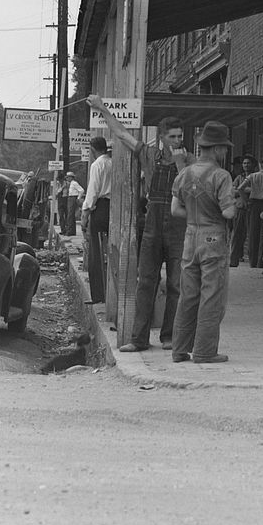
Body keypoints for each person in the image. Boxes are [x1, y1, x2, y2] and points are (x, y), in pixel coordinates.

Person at [87, 94, 190, 353]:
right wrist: (102, 108)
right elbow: (121, 134)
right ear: (162, 138)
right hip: (153, 224)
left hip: (179, 226)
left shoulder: (189, 162)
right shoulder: (149, 155)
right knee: (145, 281)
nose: (178, 141)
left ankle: (169, 336)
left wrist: (180, 163)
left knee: (177, 284)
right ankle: (139, 338)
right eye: (173, 137)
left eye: (181, 136)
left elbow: (191, 189)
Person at [169, 121, 236, 365]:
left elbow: (175, 209)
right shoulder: (221, 176)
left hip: (190, 237)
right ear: (217, 149)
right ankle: (205, 351)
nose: (226, 153)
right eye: (225, 149)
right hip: (213, 239)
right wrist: (234, 205)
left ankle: (179, 350)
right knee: (211, 296)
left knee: (188, 295)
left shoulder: (184, 173)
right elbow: (228, 213)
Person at [82, 137, 112, 304]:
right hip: (115, 208)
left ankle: (99, 295)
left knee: (96, 252)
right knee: (112, 252)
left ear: (93, 149)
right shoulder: (114, 163)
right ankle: (110, 292)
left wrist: (85, 213)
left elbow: (93, 191)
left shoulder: (97, 165)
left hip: (100, 208)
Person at [236, 155, 263, 268]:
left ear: (260, 165)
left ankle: (252, 262)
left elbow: (240, 188)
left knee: (252, 233)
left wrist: (246, 201)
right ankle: (260, 261)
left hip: (253, 205)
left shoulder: (252, 176)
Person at [229, 154, 257, 267]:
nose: (246, 165)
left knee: (252, 235)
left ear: (254, 165)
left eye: (248, 163)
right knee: (237, 234)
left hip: (252, 208)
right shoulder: (239, 178)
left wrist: (241, 189)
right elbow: (231, 191)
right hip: (240, 208)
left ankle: (253, 261)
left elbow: (257, 191)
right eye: (244, 163)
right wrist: (247, 190)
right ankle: (234, 260)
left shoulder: (256, 177)